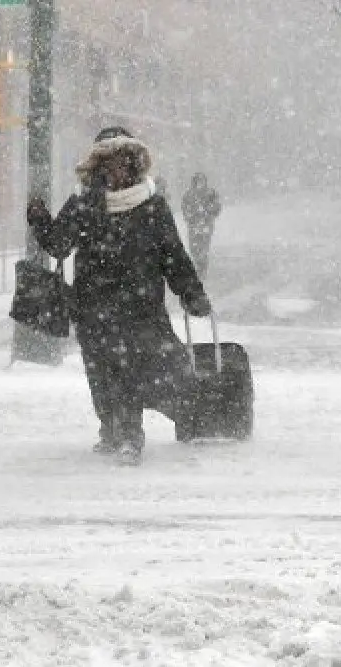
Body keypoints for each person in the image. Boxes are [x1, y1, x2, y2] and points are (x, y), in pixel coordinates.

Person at [26, 127, 212, 466]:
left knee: (135, 368)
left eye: (123, 162)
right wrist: (40, 221)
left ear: (134, 165)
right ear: (98, 166)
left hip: (141, 307)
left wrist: (192, 294)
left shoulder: (153, 207)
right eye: (109, 163)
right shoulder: (84, 205)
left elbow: (173, 256)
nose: (117, 170)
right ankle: (111, 428)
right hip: (93, 307)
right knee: (99, 371)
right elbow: (59, 245)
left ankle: (130, 434)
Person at [180, 173, 222, 278]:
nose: (200, 183)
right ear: (194, 182)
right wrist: (189, 217)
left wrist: (208, 212)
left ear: (205, 181)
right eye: (198, 181)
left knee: (203, 248)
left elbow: (217, 207)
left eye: (202, 181)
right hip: (193, 226)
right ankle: (198, 265)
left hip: (206, 225)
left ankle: (202, 269)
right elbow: (184, 208)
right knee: (194, 248)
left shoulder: (211, 193)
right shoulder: (188, 194)